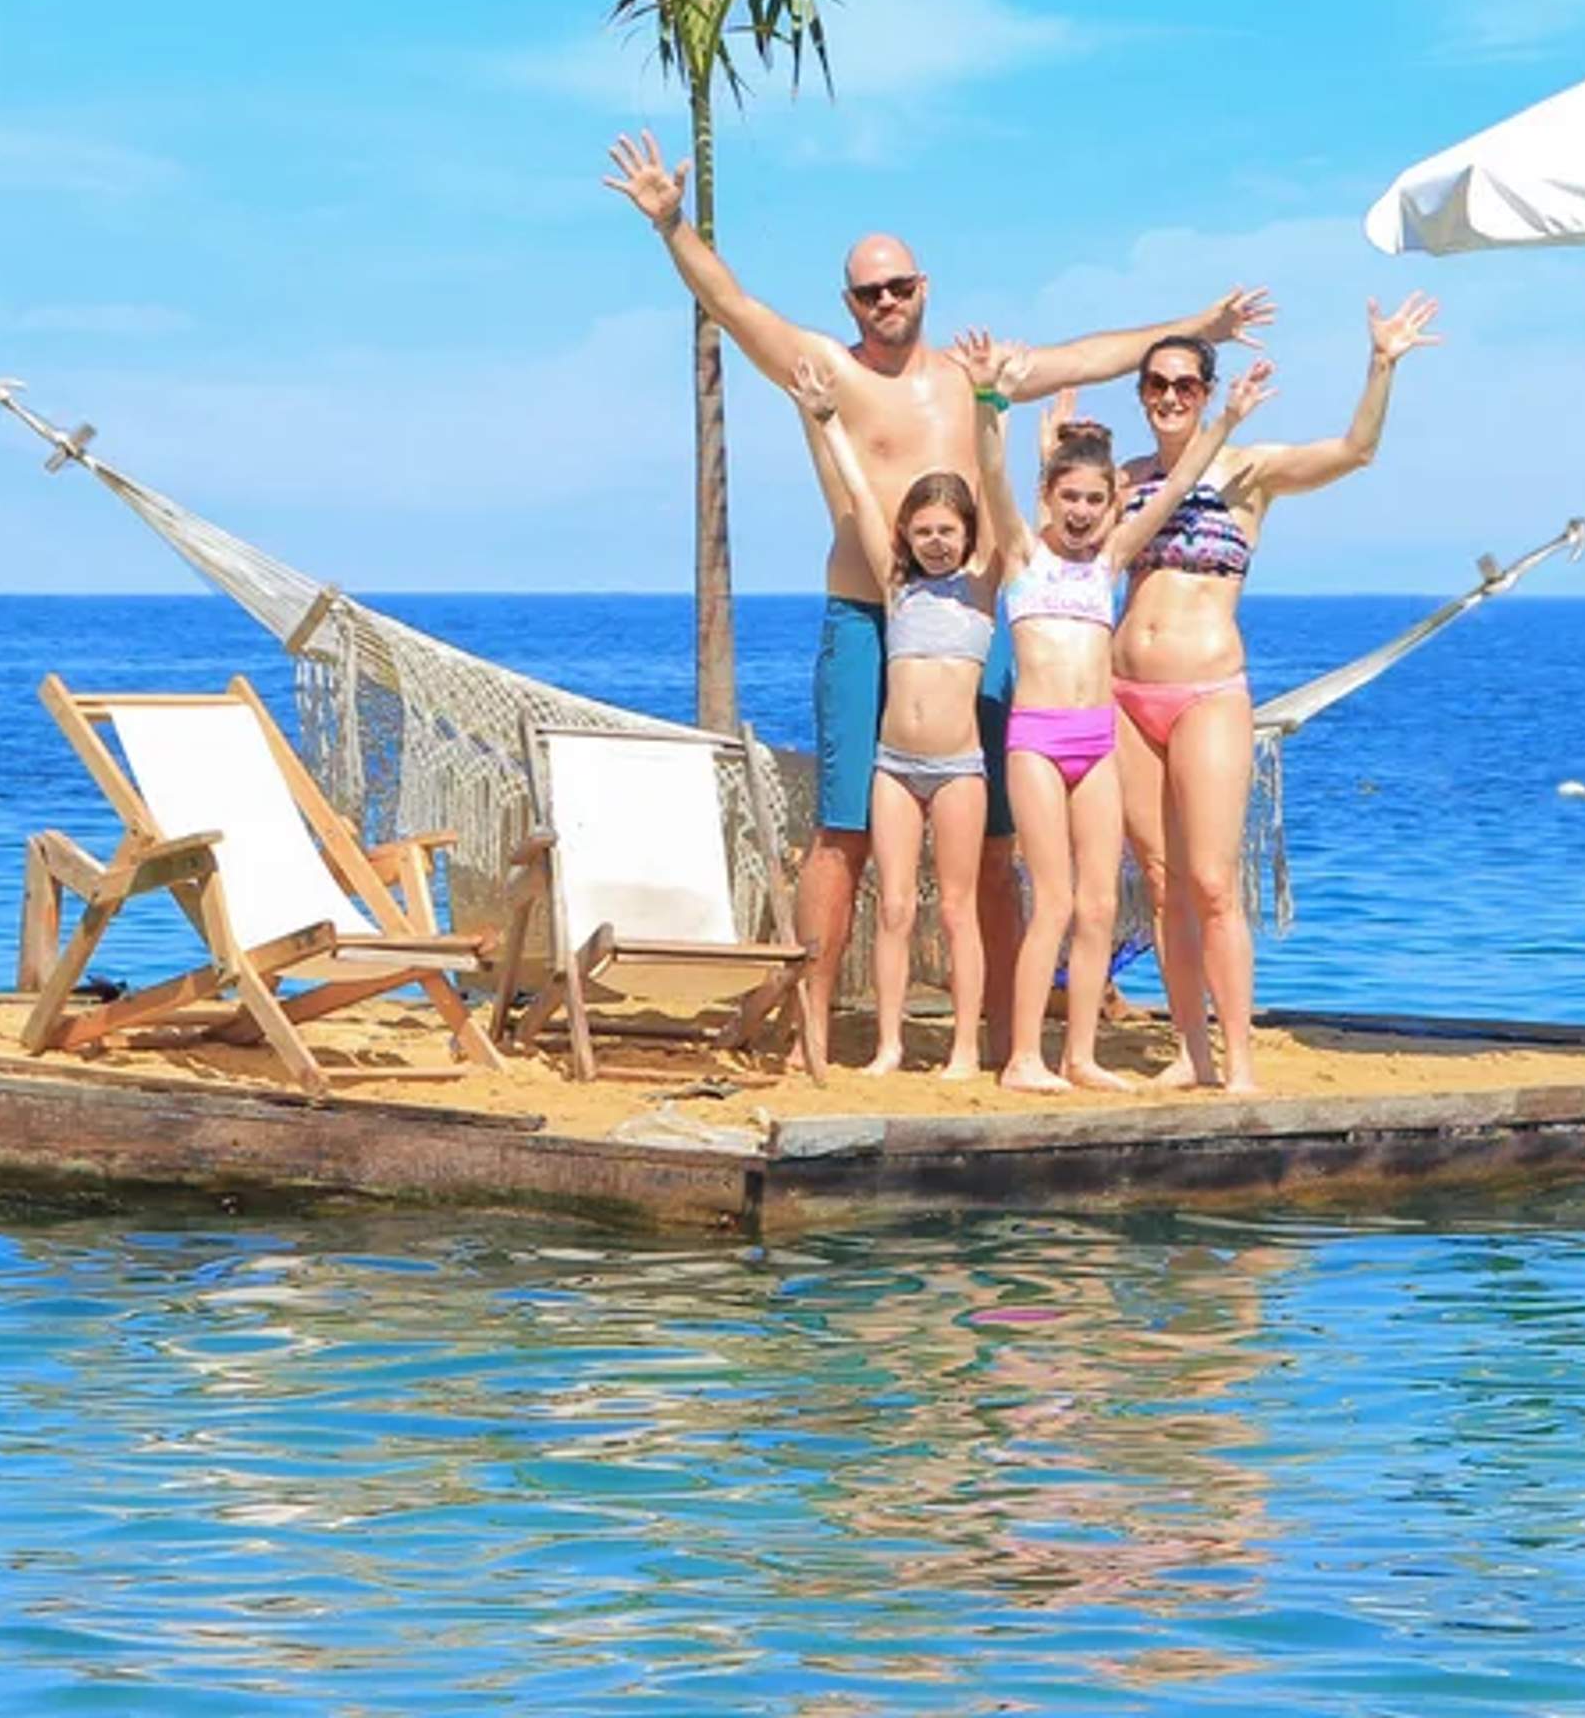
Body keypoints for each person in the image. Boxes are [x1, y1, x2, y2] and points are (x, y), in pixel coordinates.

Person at [599, 131, 1271, 1076]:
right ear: (850, 303)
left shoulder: (968, 376)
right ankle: (814, 1039)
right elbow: (734, 304)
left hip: (975, 629)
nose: (886, 303)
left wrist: (1197, 322)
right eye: (869, 292)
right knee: (841, 837)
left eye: (899, 287)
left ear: (925, 288)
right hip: (866, 618)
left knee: (993, 839)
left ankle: (1002, 1039)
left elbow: (1096, 350)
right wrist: (671, 223)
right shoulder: (825, 368)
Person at [1114, 295, 1442, 1094]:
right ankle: (1189, 1050)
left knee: (1214, 882)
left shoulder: (1248, 471)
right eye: (1155, 384)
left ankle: (1241, 1059)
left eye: (1185, 385)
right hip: (1122, 691)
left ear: (1207, 389)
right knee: (1160, 883)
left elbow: (1354, 451)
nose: (1168, 397)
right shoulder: (1121, 480)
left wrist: (1382, 365)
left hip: (1207, 690)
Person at [954, 333, 1271, 1091]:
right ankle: (1026, 1056)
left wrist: (1225, 421)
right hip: (1036, 740)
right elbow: (992, 475)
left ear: (1110, 506)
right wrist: (988, 400)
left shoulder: (1110, 561)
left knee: (1101, 903)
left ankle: (1081, 1054)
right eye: (1070, 498)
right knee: (1055, 900)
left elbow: (1178, 483)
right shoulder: (1025, 559)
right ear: (1049, 499)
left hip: (1098, 742)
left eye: (1096, 500)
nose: (1084, 512)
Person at [788, 357, 995, 1076]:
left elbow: (994, 486)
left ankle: (966, 1048)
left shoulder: (983, 589)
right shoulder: (897, 585)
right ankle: (889, 1045)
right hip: (894, 768)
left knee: (958, 910)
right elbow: (859, 493)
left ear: (969, 537)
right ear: (909, 536)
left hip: (961, 769)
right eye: (926, 530)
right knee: (898, 907)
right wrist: (825, 420)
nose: (937, 541)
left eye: (950, 530)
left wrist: (990, 404)